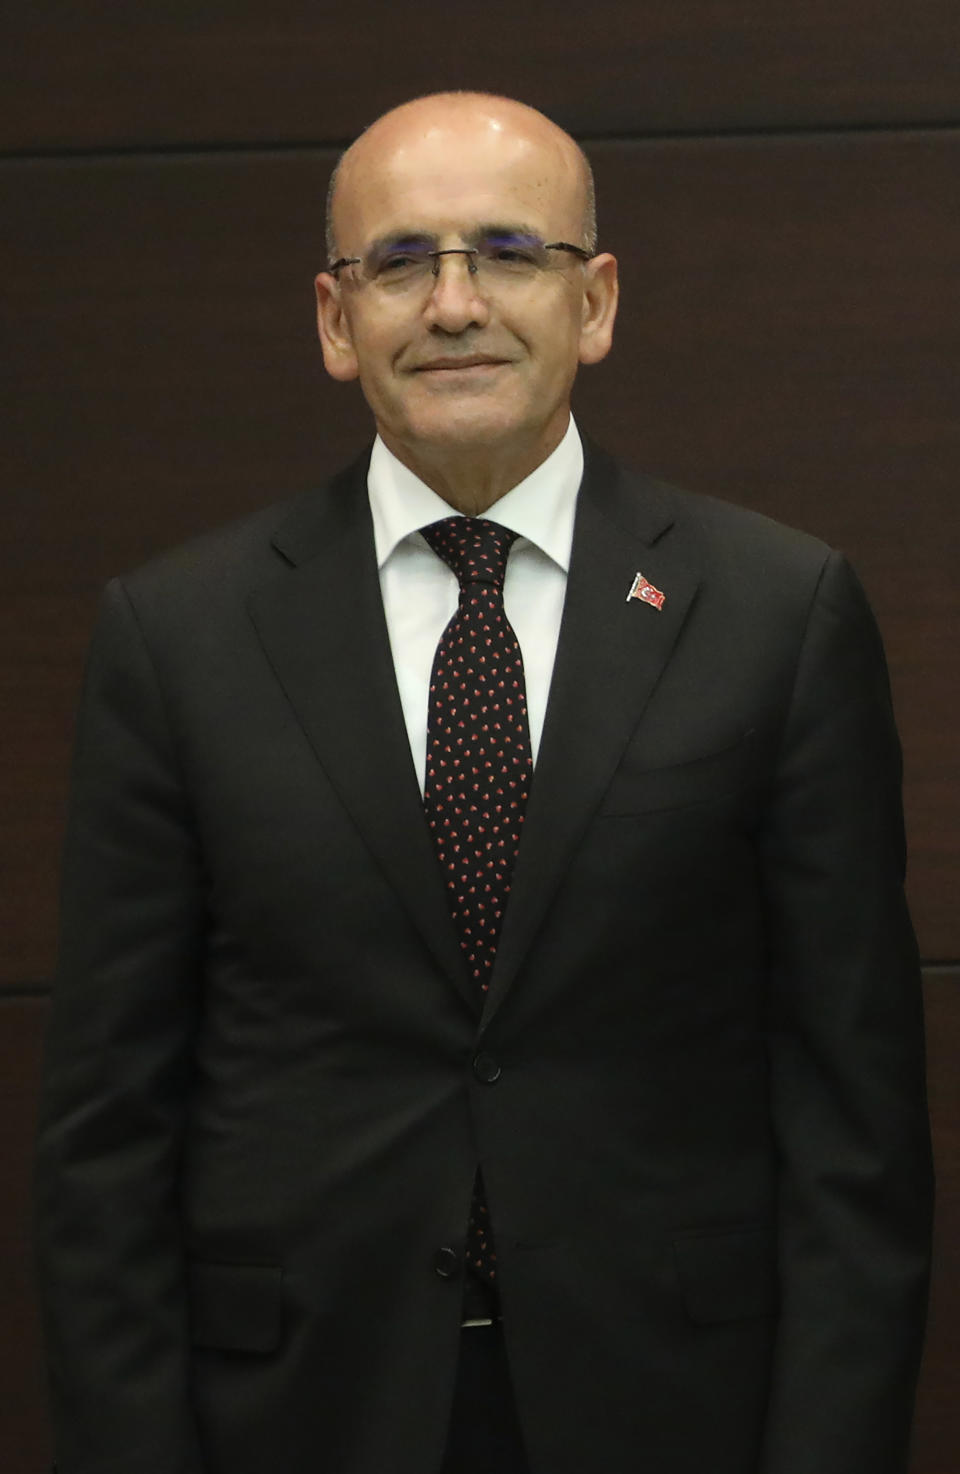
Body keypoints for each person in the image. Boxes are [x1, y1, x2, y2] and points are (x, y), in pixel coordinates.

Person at [35, 92, 933, 1474]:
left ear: (597, 300)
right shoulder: (180, 637)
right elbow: (105, 1141)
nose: (454, 303)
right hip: (297, 1412)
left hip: (674, 1407)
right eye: (401, 262)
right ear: (338, 322)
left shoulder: (776, 610)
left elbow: (854, 1132)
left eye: (508, 253)